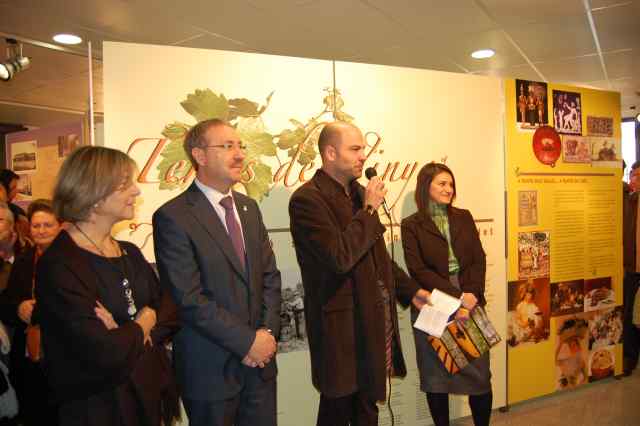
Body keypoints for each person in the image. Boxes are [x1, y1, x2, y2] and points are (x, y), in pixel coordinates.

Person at [288, 121, 430, 426]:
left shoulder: (359, 194)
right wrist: (368, 212)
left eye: (363, 149)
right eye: (355, 149)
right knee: (337, 410)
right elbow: (339, 257)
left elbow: (378, 258)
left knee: (368, 409)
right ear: (330, 153)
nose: (363, 156)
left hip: (372, 321)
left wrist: (411, 291)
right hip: (339, 328)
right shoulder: (307, 200)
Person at [35, 146, 180, 426]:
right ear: (94, 194)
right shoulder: (59, 265)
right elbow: (101, 350)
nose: (137, 190)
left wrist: (129, 332)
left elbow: (170, 311)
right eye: (125, 184)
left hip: (145, 398)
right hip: (97, 409)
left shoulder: (129, 252)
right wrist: (142, 324)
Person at [153, 119, 281, 426]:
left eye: (240, 146)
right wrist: (247, 342)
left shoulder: (249, 208)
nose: (239, 154)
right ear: (199, 155)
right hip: (210, 371)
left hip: (260, 368)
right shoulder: (173, 217)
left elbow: (269, 278)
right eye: (227, 146)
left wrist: (266, 334)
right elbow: (188, 299)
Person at [401, 162, 492, 426]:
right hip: (432, 300)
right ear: (425, 186)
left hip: (469, 296)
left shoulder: (464, 216)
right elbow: (417, 269)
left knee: (480, 375)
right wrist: (457, 296)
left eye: (451, 184)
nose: (448, 189)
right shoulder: (411, 225)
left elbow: (478, 259)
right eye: (442, 183)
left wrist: (471, 294)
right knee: (436, 377)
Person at [0, 199, 61, 425]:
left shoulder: (73, 260)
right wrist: (19, 308)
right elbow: (5, 304)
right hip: (28, 357)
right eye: (36, 226)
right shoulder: (24, 260)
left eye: (48, 225)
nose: (41, 231)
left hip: (62, 358)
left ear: (60, 226)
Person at [623, 163, 640, 375]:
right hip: (632, 268)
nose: (634, 179)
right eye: (632, 175)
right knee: (629, 313)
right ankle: (630, 356)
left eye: (637, 175)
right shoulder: (630, 200)